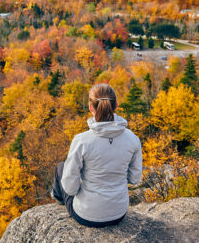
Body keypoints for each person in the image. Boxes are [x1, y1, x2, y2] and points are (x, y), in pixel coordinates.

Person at [51, 83, 142, 227]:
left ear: (90, 107)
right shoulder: (132, 139)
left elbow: (70, 188)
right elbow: (134, 179)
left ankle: (58, 199)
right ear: (116, 105)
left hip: (86, 215)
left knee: (61, 168)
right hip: (119, 213)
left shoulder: (81, 141)